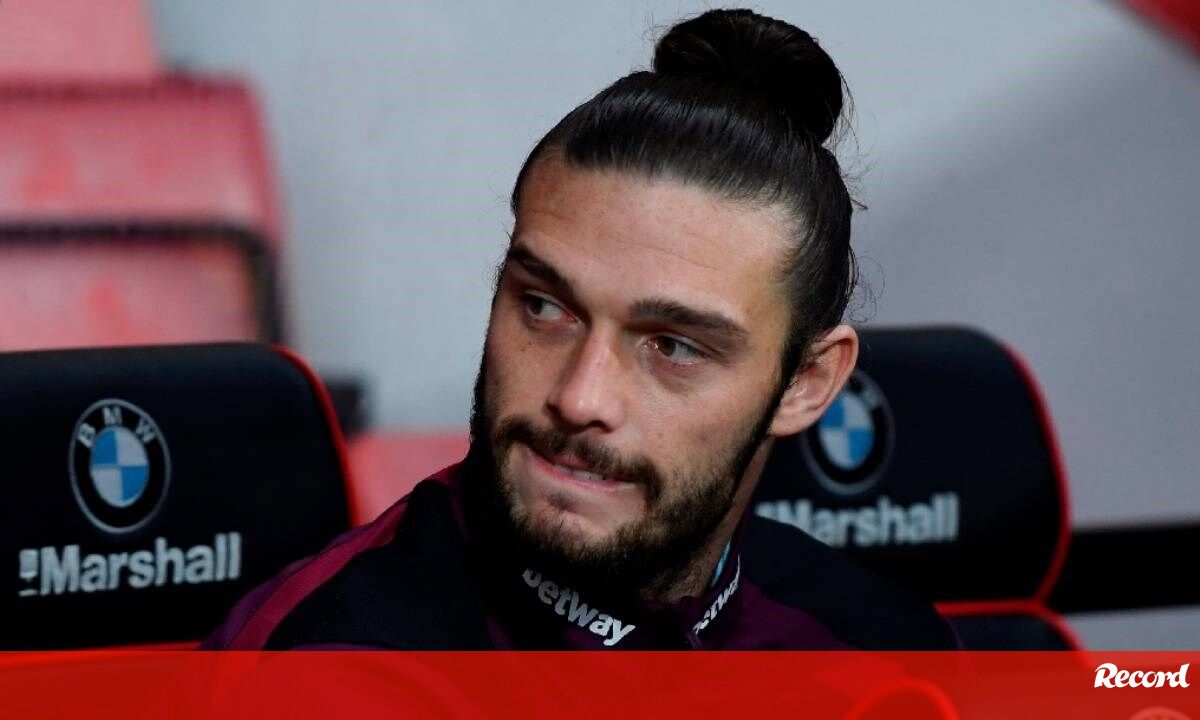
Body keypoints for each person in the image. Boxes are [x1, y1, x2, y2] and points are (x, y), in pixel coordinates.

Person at [206, 8, 957, 650]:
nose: (578, 397)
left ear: (806, 383)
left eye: (673, 346)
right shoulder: (326, 663)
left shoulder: (879, 645)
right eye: (545, 307)